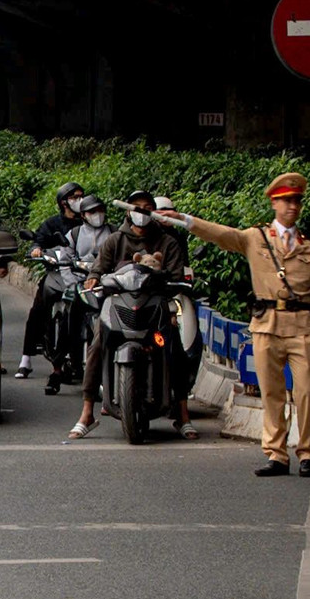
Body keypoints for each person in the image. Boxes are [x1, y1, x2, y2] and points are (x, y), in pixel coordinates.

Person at [158, 171, 310, 477]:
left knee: (307, 392)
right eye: (286, 201)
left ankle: (308, 454)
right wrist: (183, 218)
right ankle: (277, 454)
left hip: (301, 328)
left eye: (296, 201)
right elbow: (220, 234)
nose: (292, 207)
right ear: (274, 204)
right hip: (266, 327)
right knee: (271, 393)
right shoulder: (255, 238)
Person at [69, 190, 192, 441]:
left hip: (156, 307)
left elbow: (177, 276)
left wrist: (173, 283)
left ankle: (182, 414)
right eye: (137, 207)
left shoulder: (168, 242)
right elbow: (98, 269)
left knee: (173, 345)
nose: (142, 212)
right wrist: (93, 278)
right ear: (128, 211)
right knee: (97, 343)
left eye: (148, 207)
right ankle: (87, 412)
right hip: (118, 306)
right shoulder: (114, 240)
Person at [17, 181, 86, 384]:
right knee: (37, 309)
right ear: (64, 202)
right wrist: (37, 249)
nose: (78, 201)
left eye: (81, 196)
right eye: (74, 197)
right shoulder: (52, 223)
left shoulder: (87, 224)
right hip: (55, 274)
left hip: (80, 276)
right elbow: (38, 240)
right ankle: (26, 358)